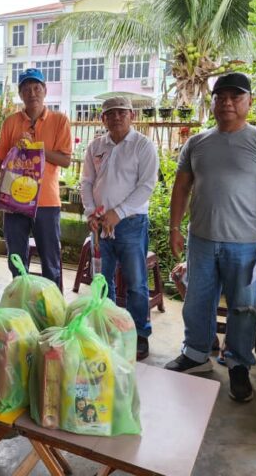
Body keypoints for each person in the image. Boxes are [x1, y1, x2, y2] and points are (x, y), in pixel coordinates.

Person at [164, 72, 256, 403]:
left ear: (249, 101)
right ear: (213, 103)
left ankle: (238, 364)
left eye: (236, 97)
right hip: (201, 240)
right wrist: (175, 228)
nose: (227, 103)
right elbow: (181, 187)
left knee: (243, 307)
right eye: (221, 97)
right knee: (197, 300)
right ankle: (195, 353)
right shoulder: (197, 143)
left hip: (247, 245)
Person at [80, 96, 158, 361]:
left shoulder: (143, 145)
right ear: (103, 118)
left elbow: (147, 186)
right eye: (110, 114)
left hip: (131, 224)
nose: (116, 117)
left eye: (122, 113)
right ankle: (109, 328)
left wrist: (119, 213)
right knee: (102, 280)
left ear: (132, 116)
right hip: (99, 224)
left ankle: (139, 334)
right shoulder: (95, 146)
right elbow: (86, 182)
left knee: (136, 283)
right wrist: (91, 212)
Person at [0, 68, 72, 287]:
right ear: (20, 94)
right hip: (15, 202)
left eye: (37, 88)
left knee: (51, 260)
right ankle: (21, 301)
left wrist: (36, 149)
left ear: (45, 90)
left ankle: (53, 304)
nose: (32, 93)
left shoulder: (60, 121)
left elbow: (65, 160)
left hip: (46, 202)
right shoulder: (10, 122)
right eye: (27, 89)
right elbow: (1, 162)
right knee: (16, 260)